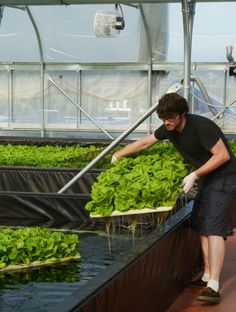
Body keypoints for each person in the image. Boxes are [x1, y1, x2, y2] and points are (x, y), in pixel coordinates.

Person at [111, 92, 236, 304]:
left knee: (214, 229)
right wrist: (118, 155)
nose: (167, 122)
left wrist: (194, 174)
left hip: (224, 178)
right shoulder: (168, 129)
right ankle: (206, 276)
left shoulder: (200, 127)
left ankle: (213, 286)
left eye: (171, 118)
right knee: (202, 225)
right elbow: (145, 143)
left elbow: (223, 155)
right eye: (163, 119)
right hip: (207, 178)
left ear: (182, 115)